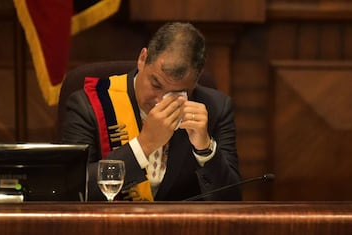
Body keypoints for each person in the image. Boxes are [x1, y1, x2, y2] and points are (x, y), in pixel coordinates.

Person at [61, 22, 241, 201]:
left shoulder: (216, 108)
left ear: (194, 83)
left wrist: (205, 150)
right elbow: (72, 190)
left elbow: (232, 201)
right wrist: (145, 144)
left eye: (176, 93)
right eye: (155, 84)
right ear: (142, 58)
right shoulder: (89, 104)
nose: (159, 101)